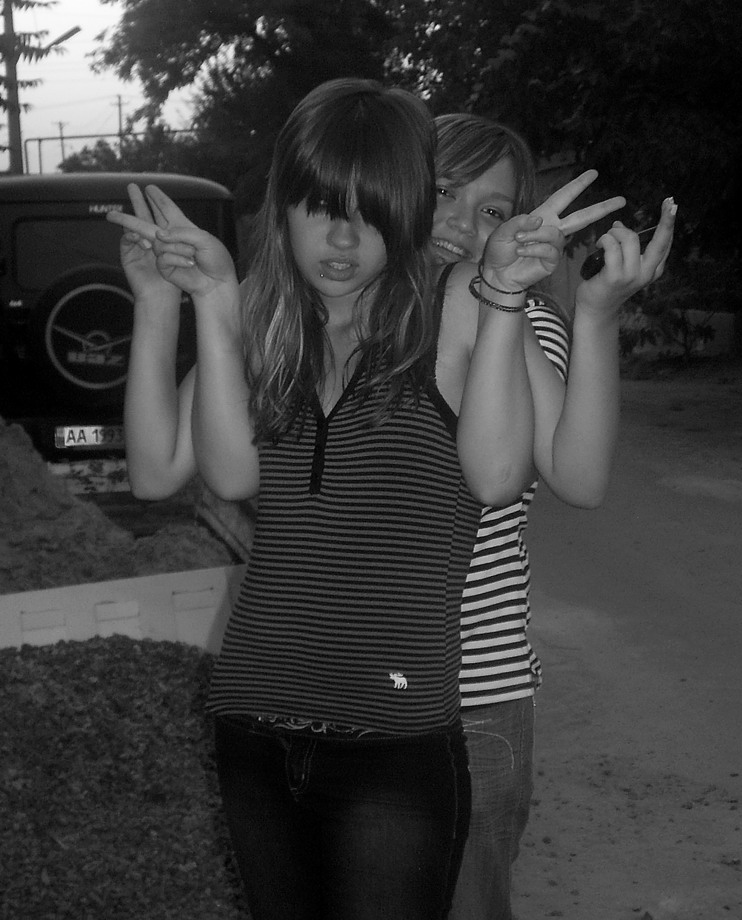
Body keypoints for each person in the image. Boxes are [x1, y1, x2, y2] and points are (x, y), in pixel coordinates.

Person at [107, 79, 558, 920]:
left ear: (406, 212)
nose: (344, 239)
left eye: (372, 214)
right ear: (282, 207)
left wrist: (527, 301)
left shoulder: (459, 306)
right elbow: (162, 472)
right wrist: (164, 304)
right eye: (320, 208)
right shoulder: (266, 317)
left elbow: (510, 476)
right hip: (254, 719)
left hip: (396, 732)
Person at [429, 112, 676, 920]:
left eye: (492, 210)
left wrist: (595, 314)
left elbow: (578, 476)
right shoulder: (354, 312)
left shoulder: (522, 320)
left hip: (474, 689)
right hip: (347, 684)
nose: (459, 223)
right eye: (440, 193)